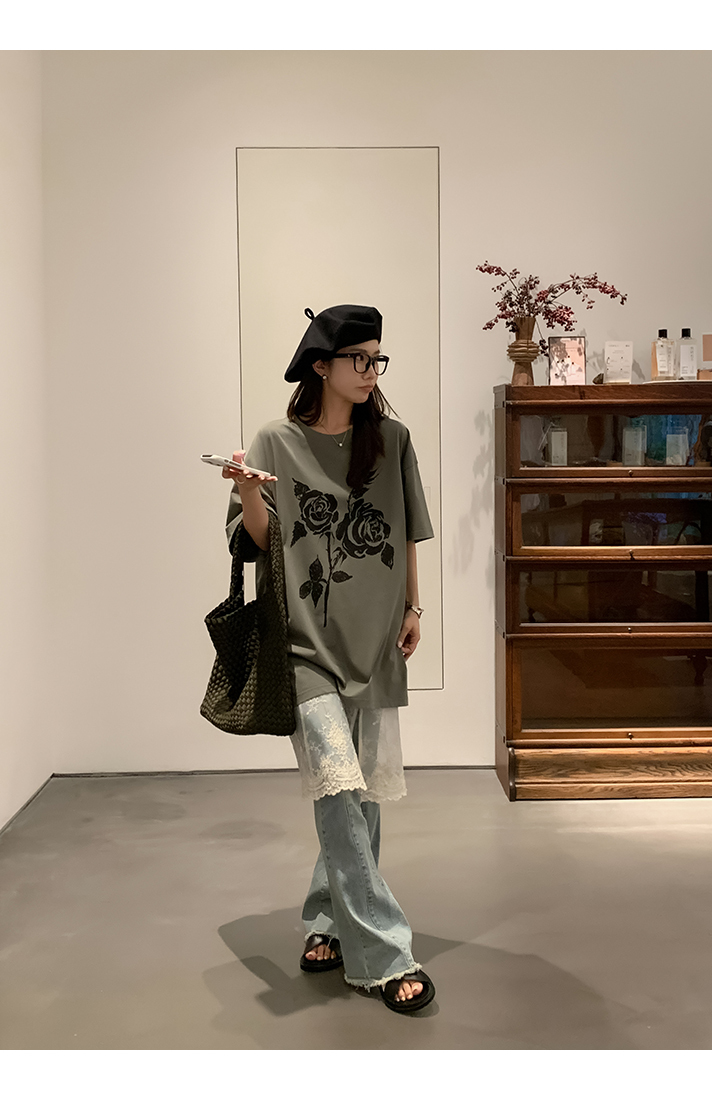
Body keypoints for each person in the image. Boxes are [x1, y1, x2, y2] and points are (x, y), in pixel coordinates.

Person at [222, 304, 436, 1014]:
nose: (372, 373)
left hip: (374, 639)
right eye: (360, 360)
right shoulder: (275, 440)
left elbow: (406, 533)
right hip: (303, 643)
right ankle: (384, 953)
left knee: (361, 792)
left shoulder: (392, 440)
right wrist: (249, 490)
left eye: (378, 360)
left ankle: (324, 919)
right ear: (321, 366)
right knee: (340, 786)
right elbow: (259, 540)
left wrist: (413, 609)